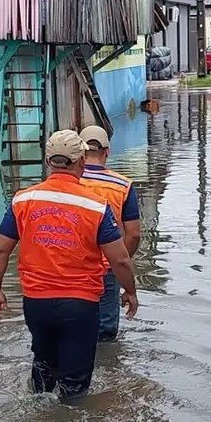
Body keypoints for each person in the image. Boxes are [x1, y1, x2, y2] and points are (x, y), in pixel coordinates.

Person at [0, 129, 139, 401]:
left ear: (48, 162)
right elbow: (119, 259)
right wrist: (130, 291)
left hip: (36, 303)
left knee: (43, 366)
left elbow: (0, 249)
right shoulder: (96, 206)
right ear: (81, 161)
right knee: (75, 386)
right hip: (79, 305)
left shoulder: (22, 200)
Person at [78, 125, 141, 342]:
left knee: (70, 331)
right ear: (108, 151)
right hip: (107, 268)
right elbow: (133, 235)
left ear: (79, 152)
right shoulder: (123, 186)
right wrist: (118, 262)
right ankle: (108, 372)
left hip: (69, 268)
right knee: (104, 336)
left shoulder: (65, 184)